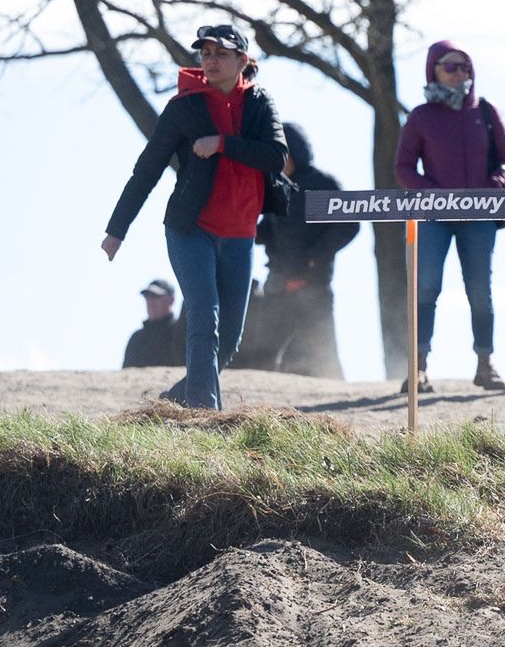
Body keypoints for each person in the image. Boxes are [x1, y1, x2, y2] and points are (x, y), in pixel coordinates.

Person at [102, 24, 288, 410]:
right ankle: (206, 415)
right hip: (191, 230)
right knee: (204, 318)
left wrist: (222, 144)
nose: (211, 60)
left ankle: (174, 401)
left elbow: (275, 156)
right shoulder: (183, 107)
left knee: (229, 339)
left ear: (243, 60)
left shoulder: (259, 103)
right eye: (205, 54)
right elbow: (147, 170)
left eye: (220, 53)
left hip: (239, 235)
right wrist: (117, 229)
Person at [395, 40, 505, 394]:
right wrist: (428, 192)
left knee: (480, 291)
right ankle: (417, 366)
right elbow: (403, 167)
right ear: (433, 69)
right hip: (433, 218)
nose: (460, 73)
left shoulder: (485, 111)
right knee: (427, 286)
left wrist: (497, 181)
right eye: (451, 66)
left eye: (465, 67)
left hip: (480, 217)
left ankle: (485, 363)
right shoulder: (420, 116)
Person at [234, 122, 358, 377]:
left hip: (313, 287)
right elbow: (267, 227)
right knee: (261, 355)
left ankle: (339, 405)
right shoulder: (276, 187)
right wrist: (246, 229)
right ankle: (258, 407)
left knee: (325, 356)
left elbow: (349, 225)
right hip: (278, 285)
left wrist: (317, 256)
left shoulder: (322, 184)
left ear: (294, 153)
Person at [122, 278, 186, 369]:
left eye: (156, 297)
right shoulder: (137, 338)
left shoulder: (180, 333)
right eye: (148, 297)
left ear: (171, 299)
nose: (151, 302)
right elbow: (126, 376)